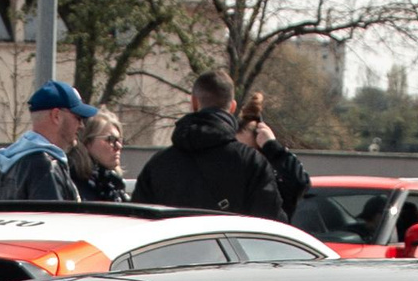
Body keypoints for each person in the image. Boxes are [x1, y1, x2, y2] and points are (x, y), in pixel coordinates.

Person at [132, 69, 311, 219]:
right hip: (230, 260)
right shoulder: (251, 163)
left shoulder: (158, 165)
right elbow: (271, 229)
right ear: (232, 107)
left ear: (194, 102)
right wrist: (273, 148)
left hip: (166, 259)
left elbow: (136, 222)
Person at [0, 80, 89, 206]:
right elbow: (54, 222)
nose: (81, 126)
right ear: (56, 116)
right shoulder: (46, 166)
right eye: (78, 118)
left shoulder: (8, 163)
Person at [73, 107, 130, 204]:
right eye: (111, 140)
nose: (118, 146)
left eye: (120, 140)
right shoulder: (74, 184)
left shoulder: (114, 184)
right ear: (87, 142)